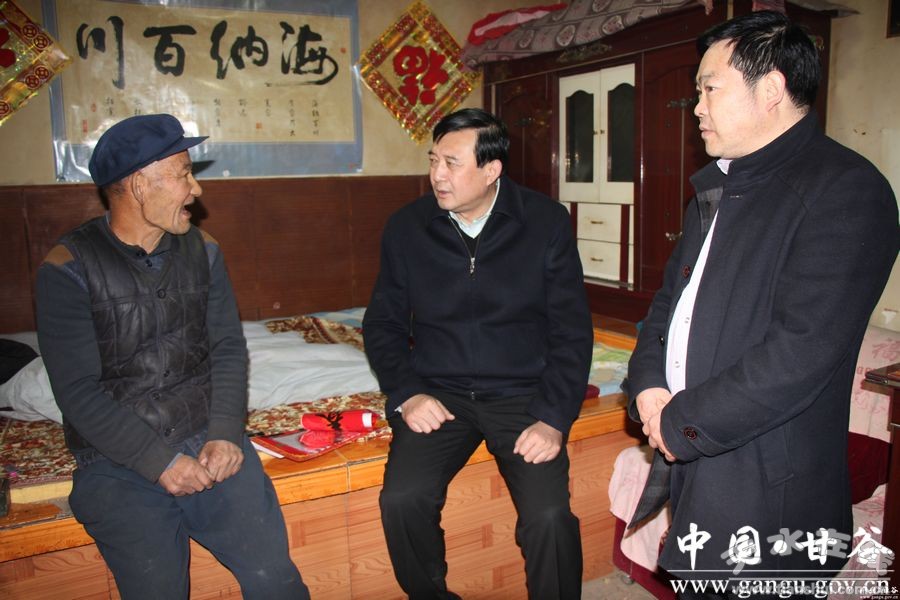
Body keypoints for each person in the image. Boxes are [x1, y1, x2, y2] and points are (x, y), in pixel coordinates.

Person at [625, 9, 899, 594]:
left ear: (771, 89)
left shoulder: (846, 190)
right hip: (696, 451)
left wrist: (679, 422)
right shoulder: (719, 187)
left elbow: (799, 355)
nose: (697, 107)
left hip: (767, 479)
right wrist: (647, 385)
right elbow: (668, 305)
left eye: (710, 88)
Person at [35, 114, 310, 600]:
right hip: (116, 458)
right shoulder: (68, 267)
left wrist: (225, 433)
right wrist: (158, 461)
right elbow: (76, 391)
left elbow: (227, 349)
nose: (195, 189)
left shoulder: (203, 250)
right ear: (139, 184)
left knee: (276, 581)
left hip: (207, 439)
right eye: (183, 173)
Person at [362, 108, 594, 599]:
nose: (437, 175)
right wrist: (407, 394)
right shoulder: (407, 227)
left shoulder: (544, 221)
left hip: (522, 396)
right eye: (433, 160)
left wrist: (553, 419)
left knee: (550, 517)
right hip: (440, 393)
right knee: (402, 500)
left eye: (452, 163)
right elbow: (382, 324)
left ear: (492, 170)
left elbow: (571, 331)